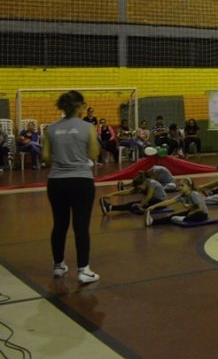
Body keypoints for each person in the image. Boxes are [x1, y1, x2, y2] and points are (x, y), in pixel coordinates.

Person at [41, 90, 100, 283]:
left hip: (56, 182)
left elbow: (46, 157)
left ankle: (58, 266)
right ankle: (84, 270)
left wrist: (62, 159)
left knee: (59, 224)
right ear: (79, 106)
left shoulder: (51, 128)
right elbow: (92, 154)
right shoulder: (87, 127)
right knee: (81, 226)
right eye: (84, 105)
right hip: (81, 180)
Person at [144, 178, 209, 226]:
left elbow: (201, 209)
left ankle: (184, 219)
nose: (180, 187)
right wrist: (154, 206)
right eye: (179, 185)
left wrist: (191, 213)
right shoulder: (182, 196)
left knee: (198, 214)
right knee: (172, 216)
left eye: (182, 185)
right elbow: (168, 202)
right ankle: (153, 222)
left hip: (201, 214)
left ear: (189, 187)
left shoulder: (194, 194)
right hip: (191, 213)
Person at [99, 172, 167, 215]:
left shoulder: (152, 183)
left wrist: (140, 205)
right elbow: (128, 192)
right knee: (133, 204)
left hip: (160, 202)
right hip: (153, 200)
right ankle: (110, 207)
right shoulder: (144, 184)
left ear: (144, 183)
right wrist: (112, 194)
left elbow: (148, 197)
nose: (139, 190)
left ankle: (110, 207)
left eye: (139, 187)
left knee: (133, 204)